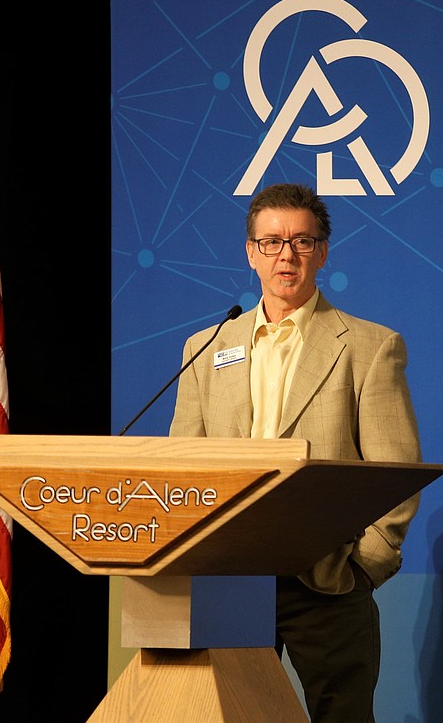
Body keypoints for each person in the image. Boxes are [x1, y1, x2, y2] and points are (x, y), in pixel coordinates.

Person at [169, 182, 423, 723]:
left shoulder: (369, 347)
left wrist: (363, 566)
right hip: (228, 580)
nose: (286, 255)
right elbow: (182, 465)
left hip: (327, 581)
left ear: (323, 252)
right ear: (250, 252)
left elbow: (394, 474)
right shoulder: (206, 347)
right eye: (271, 242)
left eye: (302, 242)